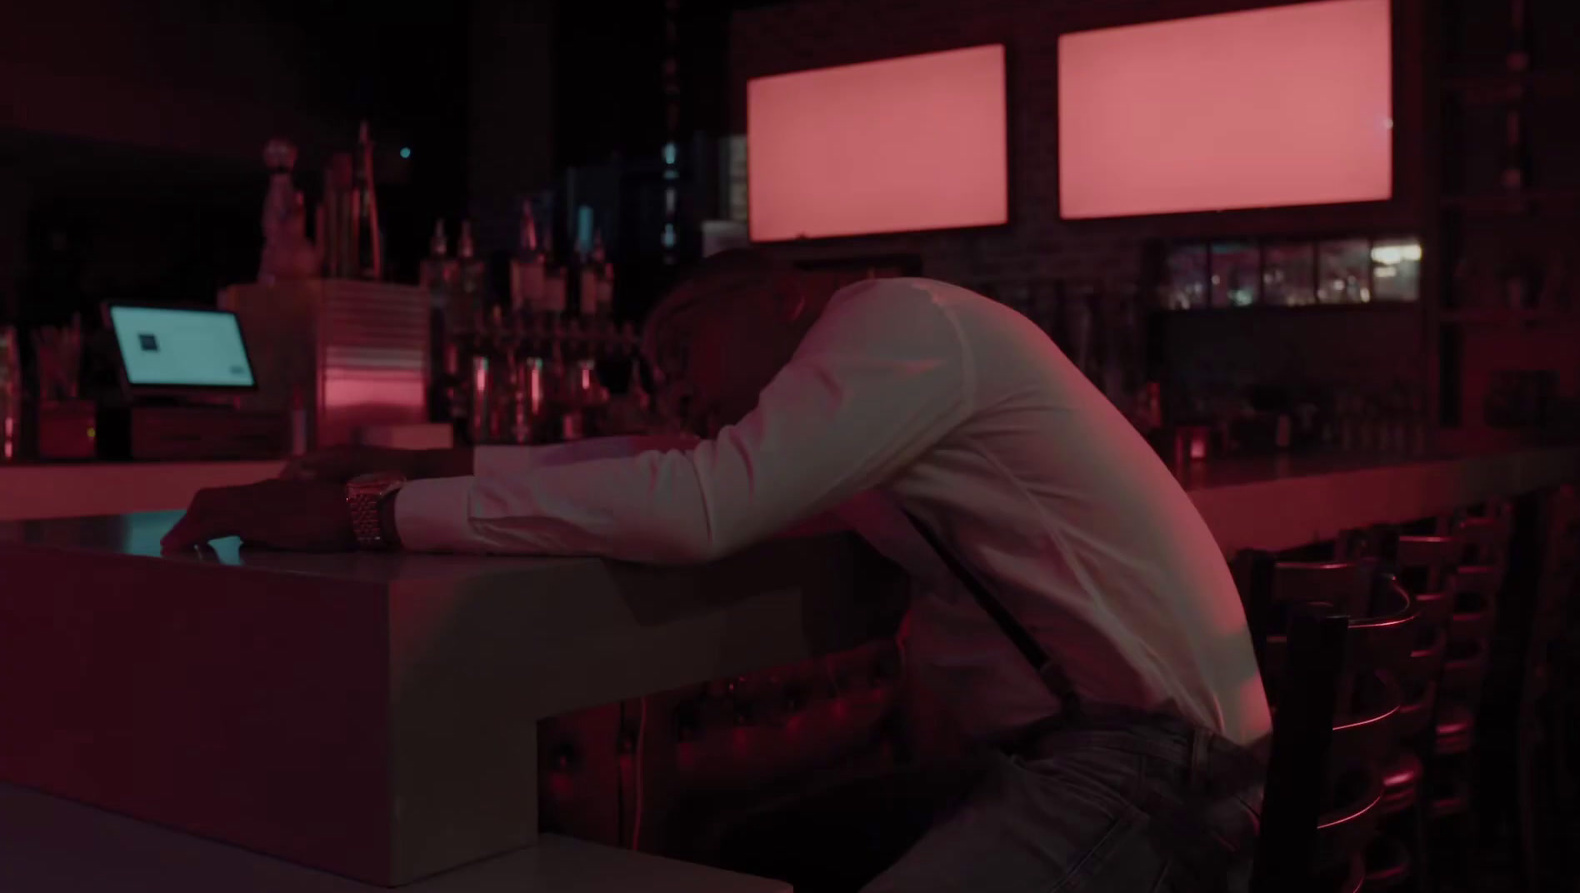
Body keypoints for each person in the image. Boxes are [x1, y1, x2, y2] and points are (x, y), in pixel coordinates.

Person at [165, 249, 1272, 892]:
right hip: (1126, 750)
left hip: (1161, 770)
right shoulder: (883, 382)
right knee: (759, 850)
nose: (672, 395)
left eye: (678, 357)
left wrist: (374, 514)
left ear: (780, 297)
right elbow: (648, 464)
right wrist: (394, 465)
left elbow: (698, 503)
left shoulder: (897, 320)